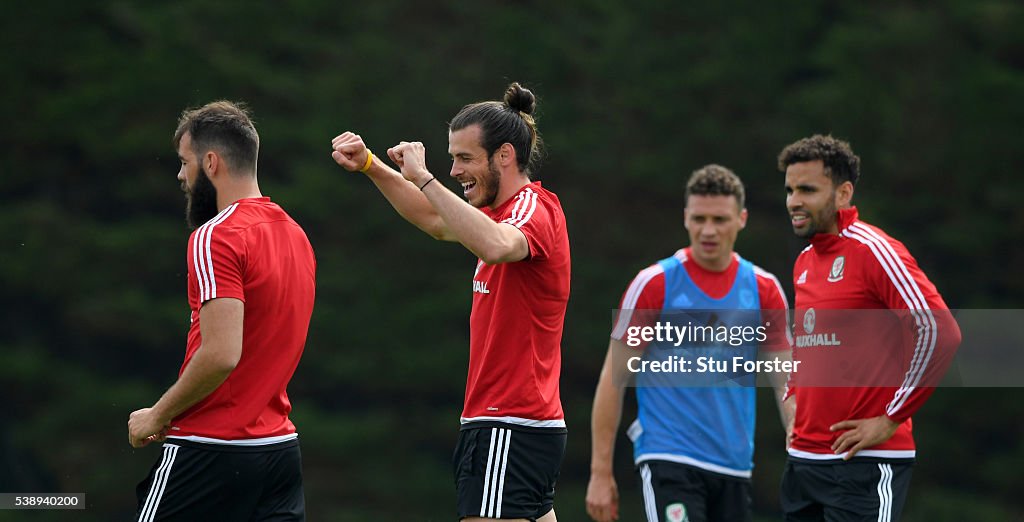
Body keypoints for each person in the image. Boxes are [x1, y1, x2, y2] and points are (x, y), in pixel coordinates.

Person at [330, 82, 570, 522]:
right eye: (451, 158)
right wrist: (372, 167)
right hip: (516, 424)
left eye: (464, 158)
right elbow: (439, 221)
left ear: (504, 156)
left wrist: (424, 177)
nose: (455, 170)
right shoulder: (497, 214)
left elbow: (497, 245)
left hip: (507, 423)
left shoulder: (531, 208)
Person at [128, 101, 316, 522]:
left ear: (211, 162)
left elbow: (220, 354)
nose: (180, 175)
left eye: (184, 162)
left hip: (210, 448)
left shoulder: (216, 235)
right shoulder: (295, 234)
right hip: (279, 453)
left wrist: (156, 415)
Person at [586, 165, 793, 522]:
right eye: (699, 218)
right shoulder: (654, 284)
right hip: (669, 457)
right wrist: (600, 473)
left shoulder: (764, 289)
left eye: (720, 219)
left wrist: (801, 450)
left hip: (735, 466)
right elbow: (613, 379)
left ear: (742, 219)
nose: (708, 230)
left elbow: (786, 383)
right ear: (685, 218)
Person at [778, 135, 960, 521]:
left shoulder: (874, 250)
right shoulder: (805, 261)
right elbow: (811, 342)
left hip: (864, 464)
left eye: (807, 189)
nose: (794, 201)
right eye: (790, 189)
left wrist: (892, 417)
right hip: (803, 462)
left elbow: (940, 331)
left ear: (844, 193)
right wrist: (793, 396)